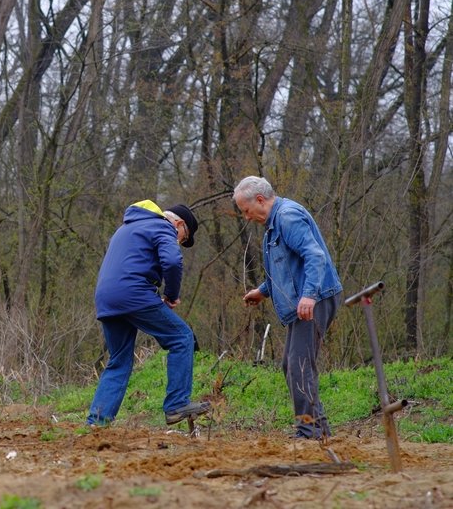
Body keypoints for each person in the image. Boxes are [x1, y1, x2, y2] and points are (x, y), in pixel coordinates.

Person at [233, 176, 342, 440]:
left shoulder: (287, 217)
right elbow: (284, 268)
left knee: (299, 365)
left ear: (260, 200)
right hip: (305, 301)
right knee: (291, 364)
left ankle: (311, 430)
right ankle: (317, 427)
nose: (246, 217)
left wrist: (309, 295)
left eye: (246, 211)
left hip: (315, 299)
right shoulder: (273, 225)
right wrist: (262, 291)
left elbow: (314, 256)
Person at [87, 200, 210, 427]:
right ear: (180, 224)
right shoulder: (163, 226)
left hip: (106, 298)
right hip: (133, 293)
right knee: (182, 337)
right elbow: (172, 261)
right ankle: (177, 404)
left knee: (119, 360)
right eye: (183, 238)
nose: (179, 242)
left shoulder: (126, 227)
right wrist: (171, 295)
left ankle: (97, 422)